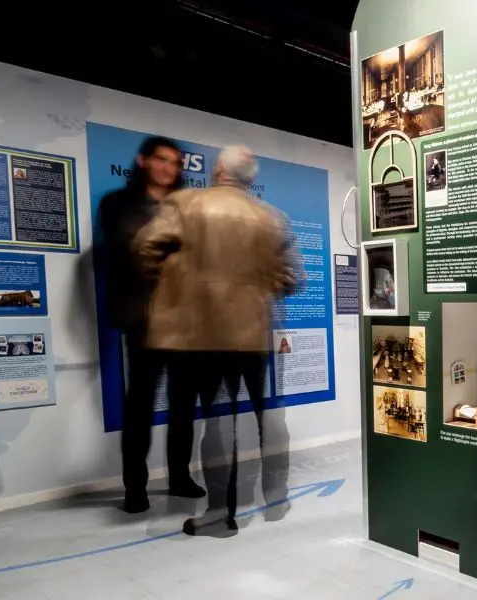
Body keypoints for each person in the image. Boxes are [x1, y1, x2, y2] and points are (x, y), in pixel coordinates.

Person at [137, 145, 297, 536]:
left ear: (219, 169)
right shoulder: (270, 216)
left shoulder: (186, 205)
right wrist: (256, 291)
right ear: (250, 177)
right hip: (255, 334)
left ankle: (220, 515)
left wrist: (179, 283)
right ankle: (276, 499)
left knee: (220, 421)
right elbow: (291, 277)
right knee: (269, 415)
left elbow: (146, 248)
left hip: (207, 336)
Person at [96, 136, 195, 513]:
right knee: (139, 406)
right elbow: (128, 248)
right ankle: (135, 487)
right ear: (143, 161)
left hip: (185, 320)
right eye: (162, 159)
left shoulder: (187, 206)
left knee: (183, 405)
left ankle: (180, 478)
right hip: (144, 319)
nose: (169, 168)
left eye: (175, 162)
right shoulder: (117, 203)